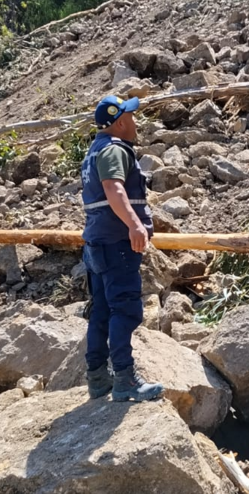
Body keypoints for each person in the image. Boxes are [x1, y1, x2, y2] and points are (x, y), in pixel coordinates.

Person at [80, 94, 164, 402]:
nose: (136, 121)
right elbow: (114, 189)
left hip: (96, 242)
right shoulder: (114, 149)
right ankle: (125, 379)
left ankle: (98, 378)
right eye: (131, 115)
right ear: (120, 121)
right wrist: (134, 224)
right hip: (117, 243)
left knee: (101, 309)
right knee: (124, 309)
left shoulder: (94, 151)